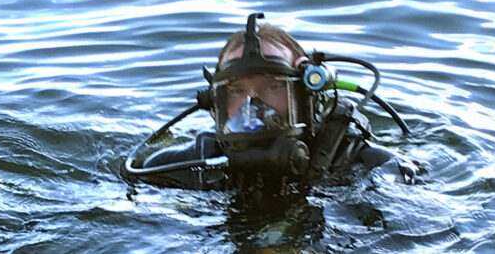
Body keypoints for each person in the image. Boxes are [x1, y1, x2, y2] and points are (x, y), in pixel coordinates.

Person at [123, 13, 421, 199]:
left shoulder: (368, 166)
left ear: (308, 96)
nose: (254, 106)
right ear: (216, 103)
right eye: (238, 91)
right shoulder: (188, 168)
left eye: (273, 87)